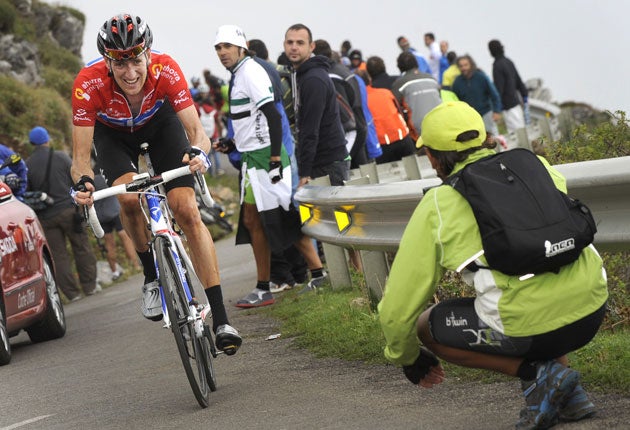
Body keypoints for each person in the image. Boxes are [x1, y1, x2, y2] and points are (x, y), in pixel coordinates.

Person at [378, 101, 608, 429]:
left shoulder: (438, 205)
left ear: (431, 156)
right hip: (593, 306)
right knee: (537, 282)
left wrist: (407, 357)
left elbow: (397, 309)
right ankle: (571, 397)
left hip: (530, 326)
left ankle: (538, 375)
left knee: (428, 326)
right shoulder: (537, 165)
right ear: (486, 136)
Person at [69, 13, 241, 354]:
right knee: (130, 199)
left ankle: (221, 318)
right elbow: (79, 161)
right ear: (107, 62)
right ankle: (151, 276)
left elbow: (197, 134)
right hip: (113, 135)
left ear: (147, 52)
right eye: (120, 64)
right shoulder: (87, 84)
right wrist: (85, 184)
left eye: (135, 60)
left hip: (160, 125)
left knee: (186, 210)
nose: (130, 73)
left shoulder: (166, 69)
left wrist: (199, 154)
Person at [212, 24, 327, 305]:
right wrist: (233, 142)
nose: (222, 52)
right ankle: (265, 285)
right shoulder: (239, 75)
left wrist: (275, 158)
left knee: (283, 219)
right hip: (253, 160)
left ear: (241, 48)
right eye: (218, 48)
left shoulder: (250, 72)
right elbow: (252, 121)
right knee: (254, 222)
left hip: (267, 159)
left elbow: (273, 118)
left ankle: (317, 274)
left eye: (227, 46)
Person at [26, 126, 98, 301]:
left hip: (46, 217)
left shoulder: (27, 164)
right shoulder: (60, 157)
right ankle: (89, 287)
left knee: (58, 255)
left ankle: (72, 294)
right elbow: (75, 179)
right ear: (47, 139)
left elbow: (27, 192)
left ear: (31, 143)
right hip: (69, 211)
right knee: (81, 248)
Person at [313, 39, 368, 168]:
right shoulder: (344, 72)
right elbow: (358, 105)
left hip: (346, 137)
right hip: (357, 132)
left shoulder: (327, 77)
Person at [364, 58, 416, 164]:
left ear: (369, 74)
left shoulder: (365, 96)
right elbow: (403, 111)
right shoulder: (394, 85)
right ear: (384, 67)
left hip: (382, 143)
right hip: (403, 136)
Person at [93, 173, 141, 280]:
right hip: (115, 211)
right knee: (125, 238)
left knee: (109, 243)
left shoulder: (89, 183)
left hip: (101, 216)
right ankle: (136, 265)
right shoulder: (103, 177)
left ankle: (114, 271)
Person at [391, 51, 441, 140]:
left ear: (399, 67)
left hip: (419, 132)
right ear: (416, 63)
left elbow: (394, 108)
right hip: (442, 124)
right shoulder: (432, 79)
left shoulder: (399, 84)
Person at [452, 54, 502, 137]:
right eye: (461, 66)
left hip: (486, 113)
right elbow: (456, 103)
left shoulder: (481, 77)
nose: (463, 68)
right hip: (470, 118)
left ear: (471, 65)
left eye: (466, 65)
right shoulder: (457, 83)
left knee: (493, 138)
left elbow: (494, 94)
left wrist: (496, 111)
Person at [488, 39, 529, 134]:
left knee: (515, 133)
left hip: (508, 105)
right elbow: (518, 80)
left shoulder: (497, 66)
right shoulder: (508, 61)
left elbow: (499, 88)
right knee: (522, 131)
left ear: (491, 51)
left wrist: (497, 106)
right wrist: (524, 94)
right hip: (516, 102)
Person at [195, 83, 224, 176]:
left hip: (204, 134)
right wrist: (220, 133)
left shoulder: (199, 108)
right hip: (214, 134)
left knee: (207, 152)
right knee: (216, 152)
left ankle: (210, 172)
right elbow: (218, 122)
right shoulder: (214, 110)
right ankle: (219, 169)